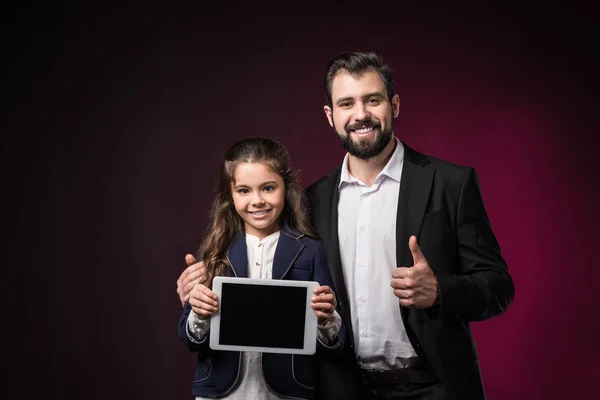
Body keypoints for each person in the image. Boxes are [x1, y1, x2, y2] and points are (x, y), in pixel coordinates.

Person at [178, 52, 515, 400]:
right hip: (340, 388)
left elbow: (498, 287)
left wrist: (440, 292)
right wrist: (199, 290)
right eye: (346, 103)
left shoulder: (450, 183)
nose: (360, 115)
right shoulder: (308, 202)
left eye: (372, 100)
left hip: (435, 386)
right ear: (330, 115)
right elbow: (266, 278)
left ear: (394, 105)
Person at [178, 137, 345, 400]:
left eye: (268, 188)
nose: (257, 200)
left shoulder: (311, 249)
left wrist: (327, 319)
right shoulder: (215, 249)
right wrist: (198, 313)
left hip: (286, 392)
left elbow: (337, 342)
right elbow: (190, 340)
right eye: (244, 191)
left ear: (285, 189)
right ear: (230, 196)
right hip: (220, 394)